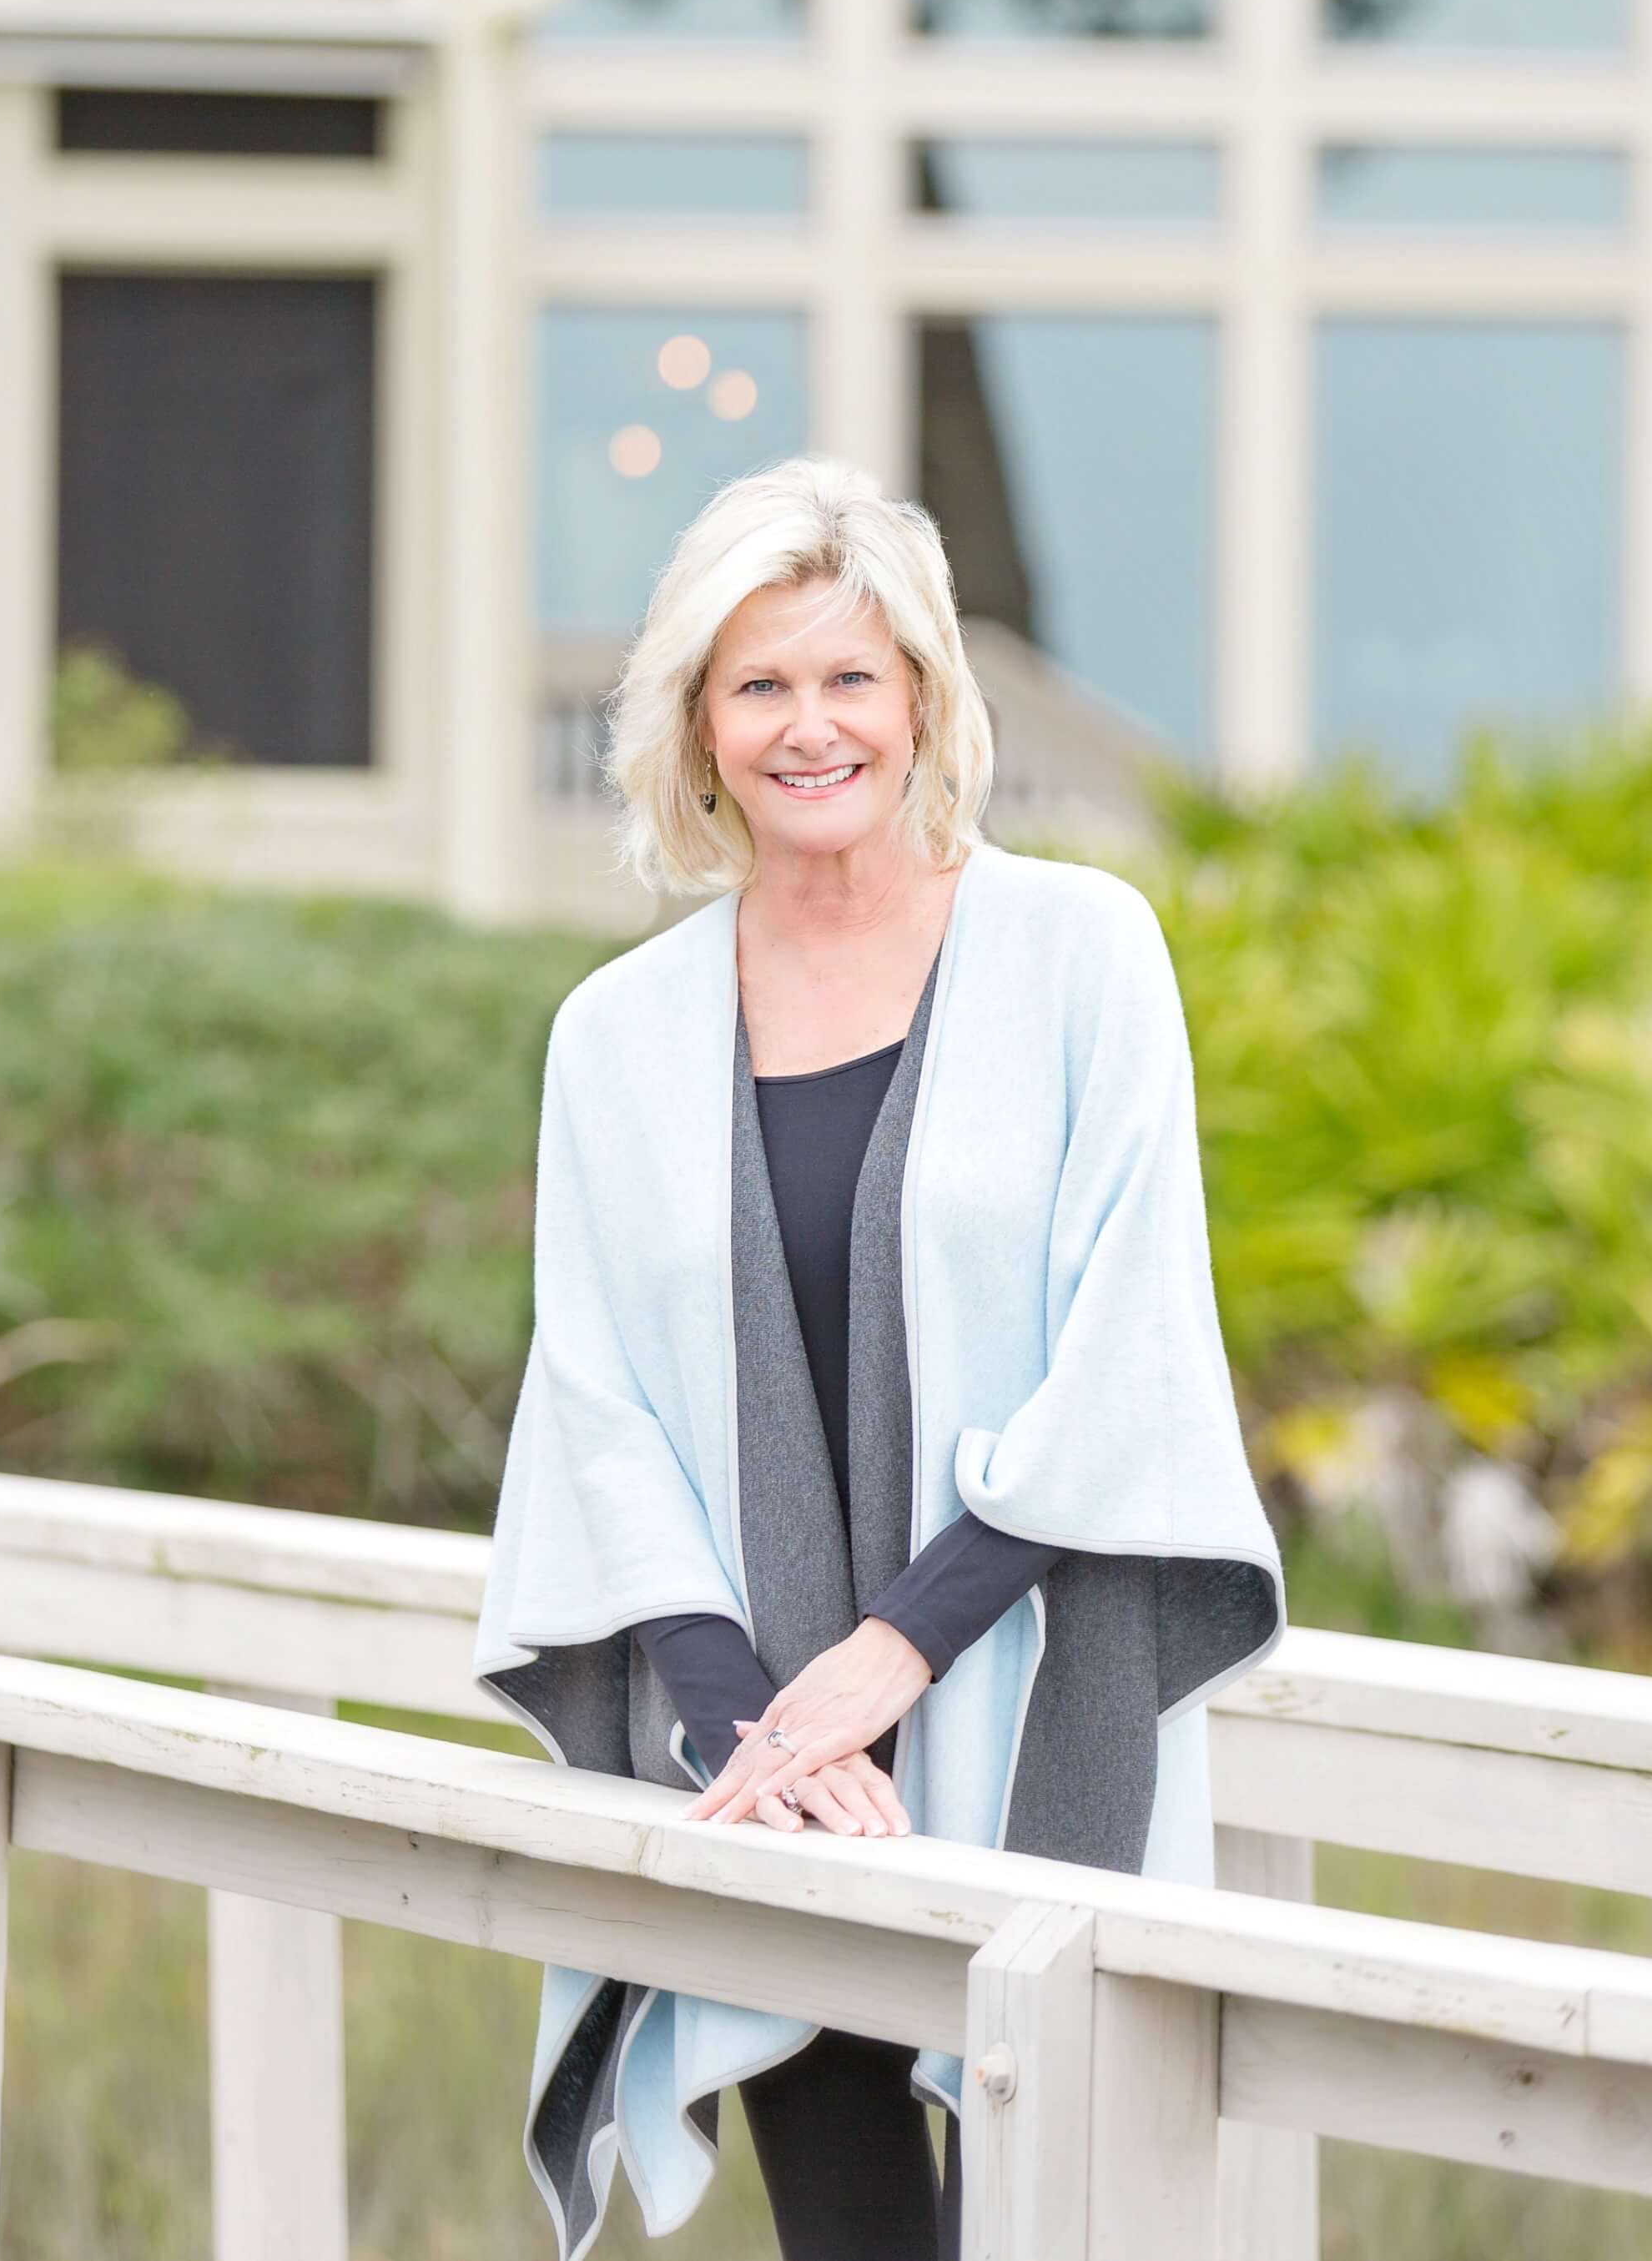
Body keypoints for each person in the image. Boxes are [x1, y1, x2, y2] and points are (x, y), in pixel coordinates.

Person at [474, 457, 1283, 2261]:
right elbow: (593, 1399)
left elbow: (1131, 1348)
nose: (809, 725)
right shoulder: (614, 1036)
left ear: (924, 698)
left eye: (852, 677)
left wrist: (893, 1656)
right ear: (695, 724)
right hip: (766, 1760)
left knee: (1052, 2218)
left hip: (1016, 1699)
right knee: (850, 2240)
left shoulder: (1086, 955)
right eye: (759, 683)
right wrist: (752, 1716)